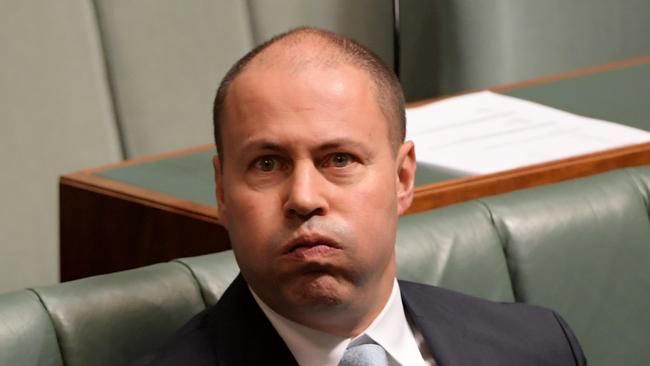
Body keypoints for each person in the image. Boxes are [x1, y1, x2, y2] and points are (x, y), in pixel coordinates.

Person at [138, 27, 586, 366]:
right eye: (268, 164)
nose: (304, 197)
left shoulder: (537, 347)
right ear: (221, 191)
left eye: (339, 160)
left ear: (402, 178)